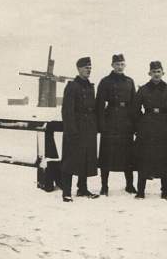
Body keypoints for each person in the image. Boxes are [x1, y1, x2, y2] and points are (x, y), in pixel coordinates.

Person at [133, 61, 167, 200]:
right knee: (144, 158)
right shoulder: (143, 89)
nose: (156, 74)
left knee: (164, 158)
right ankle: (140, 191)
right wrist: (142, 123)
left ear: (163, 73)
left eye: (158, 71)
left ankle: (165, 191)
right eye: (153, 72)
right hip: (147, 128)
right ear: (149, 73)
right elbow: (135, 110)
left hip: (164, 127)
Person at [96, 53, 137, 196]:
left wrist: (134, 124)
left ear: (125, 65)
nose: (120, 67)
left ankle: (130, 185)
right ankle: (104, 186)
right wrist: (101, 124)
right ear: (112, 65)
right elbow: (100, 104)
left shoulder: (129, 82)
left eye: (122, 64)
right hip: (110, 120)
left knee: (128, 154)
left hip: (126, 121)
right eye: (117, 64)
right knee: (106, 154)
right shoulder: (105, 81)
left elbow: (134, 105)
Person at [59, 57, 99, 202]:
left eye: (90, 67)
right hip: (76, 128)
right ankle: (66, 192)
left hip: (89, 128)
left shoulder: (90, 86)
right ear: (78, 69)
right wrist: (71, 130)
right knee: (70, 159)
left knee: (86, 158)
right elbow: (67, 111)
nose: (88, 70)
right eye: (85, 67)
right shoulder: (72, 86)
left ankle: (82, 188)